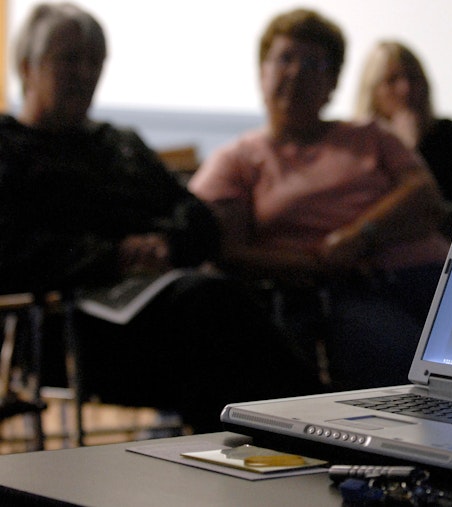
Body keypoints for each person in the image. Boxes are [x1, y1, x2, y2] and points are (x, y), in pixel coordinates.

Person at [0, 2, 319, 433]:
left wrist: (164, 244)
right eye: (70, 58)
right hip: (66, 329)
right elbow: (11, 249)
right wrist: (114, 255)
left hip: (163, 312)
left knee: (224, 324)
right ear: (26, 66)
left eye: (95, 60)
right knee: (215, 315)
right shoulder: (9, 150)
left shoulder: (119, 145)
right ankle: (309, 428)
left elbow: (199, 219)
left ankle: (283, 437)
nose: (85, 72)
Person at [189, 9, 450, 391]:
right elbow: (221, 247)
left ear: (332, 83)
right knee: (422, 372)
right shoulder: (237, 160)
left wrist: (358, 236)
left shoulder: (371, 136)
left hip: (437, 277)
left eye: (313, 63)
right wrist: (315, 264)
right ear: (262, 72)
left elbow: (425, 196)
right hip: (344, 292)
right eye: (285, 59)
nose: (296, 72)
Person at [354, 40, 452, 203]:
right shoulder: (358, 146)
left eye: (413, 78)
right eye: (392, 80)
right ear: (372, 91)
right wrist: (404, 149)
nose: (405, 88)